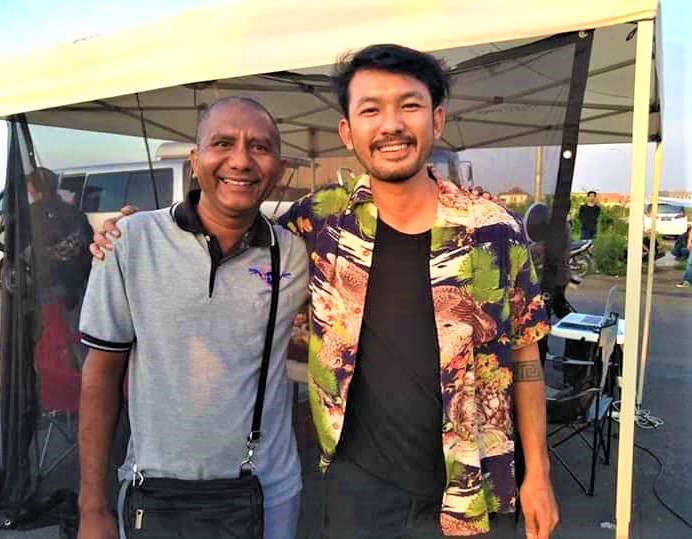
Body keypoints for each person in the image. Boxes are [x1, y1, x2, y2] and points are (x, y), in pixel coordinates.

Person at [93, 45, 559, 538]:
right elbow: (234, 228)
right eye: (371, 109)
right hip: (359, 491)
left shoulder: (494, 231)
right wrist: (130, 232)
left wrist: (538, 473)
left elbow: (525, 355)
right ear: (347, 131)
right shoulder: (320, 223)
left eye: (410, 105)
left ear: (437, 120)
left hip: (471, 488)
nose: (391, 125)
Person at [77, 98, 309, 539]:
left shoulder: (297, 251)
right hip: (155, 493)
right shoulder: (130, 241)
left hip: (268, 493)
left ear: (278, 168)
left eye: (260, 147)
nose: (240, 160)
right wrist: (91, 507)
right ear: (195, 161)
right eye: (222, 143)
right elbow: (101, 374)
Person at [28, 167, 93, 369]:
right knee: (79, 337)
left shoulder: (28, 216)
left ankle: (51, 376)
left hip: (46, 287)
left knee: (49, 338)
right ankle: (84, 376)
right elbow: (88, 251)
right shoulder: (75, 213)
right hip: (75, 286)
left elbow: (17, 250)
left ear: (34, 188)